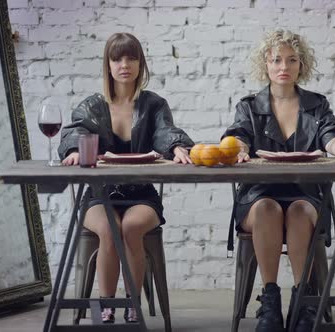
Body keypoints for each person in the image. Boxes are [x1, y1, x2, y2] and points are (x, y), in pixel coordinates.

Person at [58, 32, 194, 324]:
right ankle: (105, 307)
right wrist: (74, 150)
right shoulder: (91, 106)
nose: (124, 64)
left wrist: (176, 146)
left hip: (141, 194)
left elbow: (164, 131)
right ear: (107, 65)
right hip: (99, 194)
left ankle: (133, 303)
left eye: (131, 57)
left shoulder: (153, 104)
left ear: (140, 63)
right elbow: (76, 132)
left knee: (131, 227)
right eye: (117, 58)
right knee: (109, 227)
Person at [222, 30, 335, 332]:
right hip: (258, 196)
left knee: (300, 212)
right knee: (267, 210)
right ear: (265, 64)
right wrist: (238, 147)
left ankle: (303, 302)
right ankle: (270, 302)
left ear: (301, 64)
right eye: (276, 60)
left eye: (291, 60)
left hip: (305, 194)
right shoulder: (249, 106)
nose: (284, 66)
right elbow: (236, 136)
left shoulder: (316, 104)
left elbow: (332, 136)